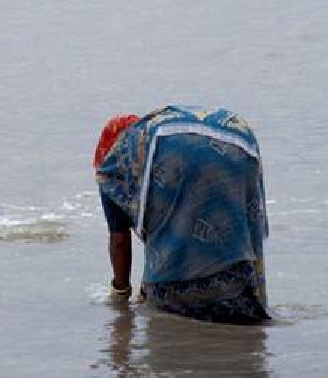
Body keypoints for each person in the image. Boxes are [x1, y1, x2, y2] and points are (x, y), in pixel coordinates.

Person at [94, 106, 270, 324]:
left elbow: (119, 241)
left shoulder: (114, 168)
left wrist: (120, 292)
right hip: (238, 138)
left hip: (173, 289)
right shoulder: (147, 137)